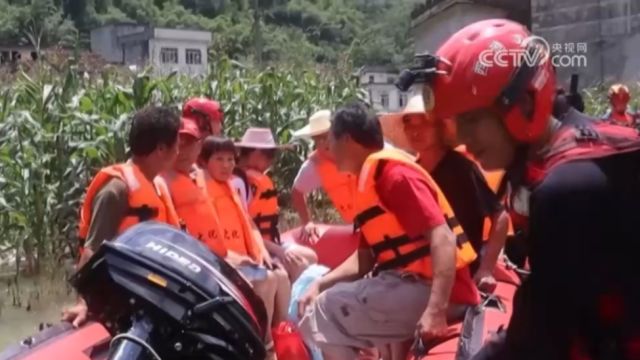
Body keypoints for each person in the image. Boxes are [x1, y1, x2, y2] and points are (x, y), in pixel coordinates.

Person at [413, 18, 640, 359]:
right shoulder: (584, 145)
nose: (462, 137)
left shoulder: (565, 189)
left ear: (525, 104)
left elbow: (541, 338)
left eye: (472, 120)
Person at [297, 102, 480, 360]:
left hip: (441, 293)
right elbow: (364, 260)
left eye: (331, 140)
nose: (328, 149)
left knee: (322, 311)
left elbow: (444, 238)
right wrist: (319, 282)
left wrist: (435, 310)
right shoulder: (370, 181)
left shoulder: (394, 177)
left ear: (348, 139)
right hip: (409, 286)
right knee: (327, 299)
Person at [63, 105, 182, 327]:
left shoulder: (156, 185)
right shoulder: (117, 190)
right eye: (177, 144)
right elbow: (92, 249)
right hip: (123, 295)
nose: (179, 150)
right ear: (161, 149)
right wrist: (83, 302)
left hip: (152, 291)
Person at [385, 94, 510, 290]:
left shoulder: (462, 170)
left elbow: (500, 216)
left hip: (459, 275)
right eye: (409, 123)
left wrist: (486, 269)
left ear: (440, 128)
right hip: (419, 274)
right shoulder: (409, 173)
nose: (415, 131)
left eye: (424, 123)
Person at [199, 136, 288, 360]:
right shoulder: (200, 191)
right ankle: (264, 345)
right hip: (219, 262)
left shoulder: (230, 188)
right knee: (266, 280)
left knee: (280, 276)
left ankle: (281, 336)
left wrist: (262, 252)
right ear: (204, 161)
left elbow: (250, 226)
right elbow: (205, 239)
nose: (227, 165)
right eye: (219, 159)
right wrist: (235, 258)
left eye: (230, 159)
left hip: (243, 259)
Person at [234, 127, 317, 281]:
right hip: (253, 246)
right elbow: (246, 229)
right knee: (300, 264)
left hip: (268, 242)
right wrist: (279, 251)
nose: (272, 161)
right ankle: (293, 304)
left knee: (311, 256)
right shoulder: (240, 182)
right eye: (270, 155)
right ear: (256, 153)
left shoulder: (256, 179)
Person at [155, 115, 227, 257]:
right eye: (179, 144)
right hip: (190, 260)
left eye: (189, 143)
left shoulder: (203, 177)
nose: (183, 151)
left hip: (216, 256)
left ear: (199, 147)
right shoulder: (160, 183)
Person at [290, 109, 358, 243]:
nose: (323, 143)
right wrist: (307, 222)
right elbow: (296, 192)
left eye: (326, 137)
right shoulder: (313, 166)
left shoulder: (360, 149)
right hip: (354, 227)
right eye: (317, 139)